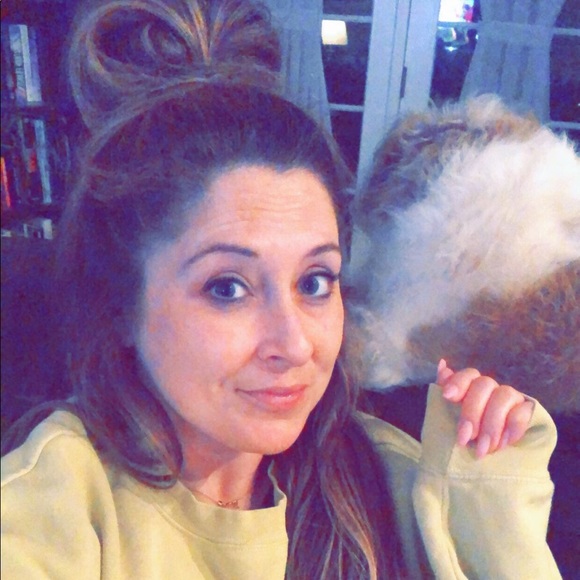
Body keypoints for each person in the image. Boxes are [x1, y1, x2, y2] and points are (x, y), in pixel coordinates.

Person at [1, 1, 560, 578]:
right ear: (121, 302)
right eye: (228, 288)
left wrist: (485, 502)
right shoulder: (59, 503)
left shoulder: (384, 482)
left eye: (314, 282)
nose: (294, 345)